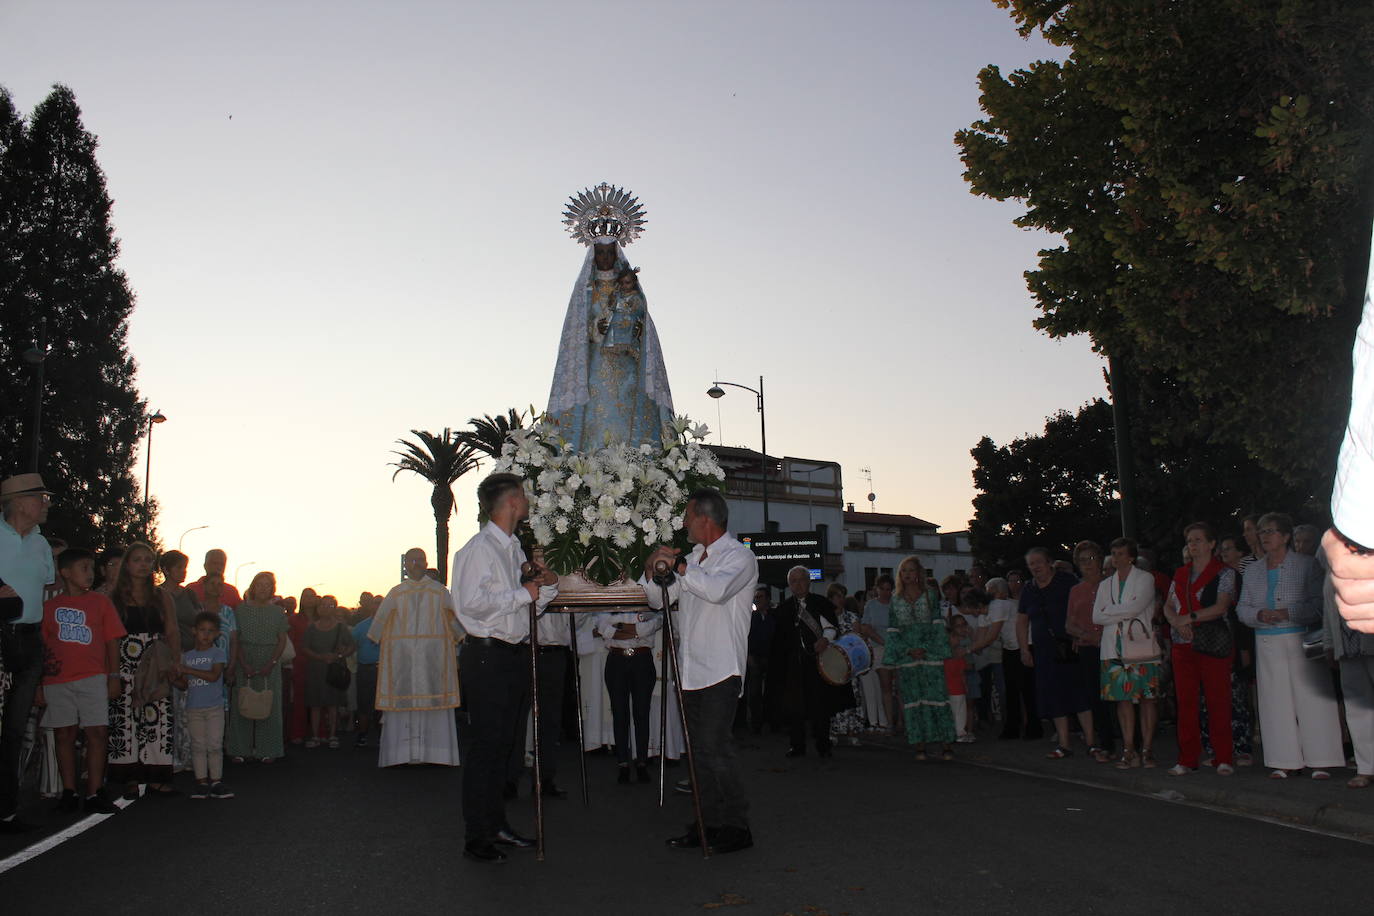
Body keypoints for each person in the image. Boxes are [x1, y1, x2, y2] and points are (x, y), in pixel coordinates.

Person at [643, 487, 758, 855]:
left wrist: (678, 567)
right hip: (690, 671)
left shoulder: (740, 557)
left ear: (705, 519)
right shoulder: (692, 558)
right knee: (698, 753)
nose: (684, 524)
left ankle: (737, 826)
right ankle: (707, 824)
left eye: (688, 516)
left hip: (722, 670)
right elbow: (657, 600)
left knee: (715, 749)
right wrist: (652, 570)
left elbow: (717, 590)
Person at [452, 473, 558, 863]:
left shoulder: (513, 549)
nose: (528, 501)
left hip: (511, 654)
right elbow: (470, 604)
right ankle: (476, 835)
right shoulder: (479, 549)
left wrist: (546, 585)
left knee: (504, 746)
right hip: (487, 656)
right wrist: (522, 593)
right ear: (512, 502)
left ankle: (495, 823)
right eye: (524, 495)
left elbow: (528, 607)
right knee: (486, 747)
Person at [1237, 512, 1342, 779]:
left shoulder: (1307, 565)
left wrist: (1287, 613)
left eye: (1270, 531)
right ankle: (1284, 760)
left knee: (1312, 699)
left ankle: (1321, 760)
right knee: (1274, 702)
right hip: (1267, 640)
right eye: (1261, 532)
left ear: (1285, 536)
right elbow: (1242, 607)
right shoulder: (1252, 570)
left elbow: (1318, 604)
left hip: (1301, 637)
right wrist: (1259, 614)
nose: (1264, 537)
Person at [546, 234, 674, 451]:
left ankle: (631, 457)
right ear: (594, 255)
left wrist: (637, 328)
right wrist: (596, 328)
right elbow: (576, 328)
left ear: (616, 255)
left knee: (628, 404)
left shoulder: (627, 286)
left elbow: (642, 318)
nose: (605, 257)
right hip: (597, 362)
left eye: (609, 252)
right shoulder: (587, 288)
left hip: (627, 362)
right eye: (600, 253)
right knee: (597, 408)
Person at [38, 547, 123, 814]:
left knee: (97, 732)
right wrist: (39, 684)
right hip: (57, 680)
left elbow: (112, 642)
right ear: (65, 572)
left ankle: (95, 791)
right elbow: (42, 648)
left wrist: (114, 676)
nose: (89, 573)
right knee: (64, 734)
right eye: (83, 568)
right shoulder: (49, 608)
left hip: (93, 678)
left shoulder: (100, 603)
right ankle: (69, 791)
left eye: (91, 568)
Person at [0, 473, 56, 832]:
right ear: (20, 502)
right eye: (41, 497)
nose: (46, 504)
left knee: (15, 730)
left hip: (30, 641)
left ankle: (6, 809)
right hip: (0, 637)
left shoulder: (41, 544)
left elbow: (47, 589)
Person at [373, 548, 462, 767]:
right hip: (403, 662)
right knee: (404, 705)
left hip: (433, 661)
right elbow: (379, 623)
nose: (417, 564)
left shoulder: (439, 592)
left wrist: (461, 634)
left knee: (435, 704)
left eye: (421, 560)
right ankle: (401, 754)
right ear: (405, 565)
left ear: (426, 562)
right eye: (412, 560)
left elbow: (455, 619)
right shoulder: (396, 593)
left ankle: (436, 754)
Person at [1161, 524, 1237, 776]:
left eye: (1198, 540)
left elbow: (1221, 606)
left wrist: (1187, 618)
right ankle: (1187, 758)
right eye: (1189, 541)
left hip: (1211, 643)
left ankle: (1223, 757)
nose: (1192, 545)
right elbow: (1168, 605)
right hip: (1182, 644)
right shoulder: (1180, 573)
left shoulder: (1224, 573)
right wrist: (1176, 622)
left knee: (1218, 700)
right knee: (1186, 703)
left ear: (1211, 544)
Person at [108, 541, 179, 798]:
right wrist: (113, 673)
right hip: (124, 663)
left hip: (155, 665)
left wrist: (175, 662)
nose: (143, 565)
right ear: (127, 564)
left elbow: (172, 630)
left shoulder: (162, 596)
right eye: (137, 560)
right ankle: (129, 778)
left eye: (148, 560)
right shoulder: (114, 597)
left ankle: (157, 779)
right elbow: (110, 637)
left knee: (158, 719)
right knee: (125, 721)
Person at [1017, 547, 1093, 759]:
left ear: (1049, 562)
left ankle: (1091, 742)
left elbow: (1082, 608)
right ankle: (1064, 744)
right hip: (1044, 652)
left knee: (1079, 694)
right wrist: (1024, 649)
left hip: (1069, 647)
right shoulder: (1029, 589)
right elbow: (1022, 620)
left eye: (1038, 562)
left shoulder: (1066, 581)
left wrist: (1080, 635)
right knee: (1054, 696)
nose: (1035, 567)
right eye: (1031, 564)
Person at [1092, 538, 1161, 769]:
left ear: (1131, 557)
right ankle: (1129, 749)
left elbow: (1136, 608)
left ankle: (1147, 750)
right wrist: (1121, 612)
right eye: (1113, 553)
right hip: (1113, 647)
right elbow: (1096, 616)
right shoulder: (1105, 584)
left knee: (1147, 699)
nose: (1116, 558)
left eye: (1120, 553)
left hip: (1140, 646)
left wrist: (1110, 611)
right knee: (1122, 700)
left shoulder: (1145, 579)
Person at [773, 566, 852, 758]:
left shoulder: (821, 603)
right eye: (793, 581)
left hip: (818, 662)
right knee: (795, 706)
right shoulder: (783, 609)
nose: (798, 584)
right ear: (789, 585)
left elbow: (831, 628)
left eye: (801, 580)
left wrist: (825, 639)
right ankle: (796, 745)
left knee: (820, 705)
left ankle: (823, 745)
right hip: (793, 665)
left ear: (809, 582)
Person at [885, 555, 955, 761]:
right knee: (913, 700)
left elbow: (937, 625)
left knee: (937, 698)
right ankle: (920, 746)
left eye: (911, 570)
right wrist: (908, 650)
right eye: (903, 570)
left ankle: (946, 745)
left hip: (930, 654)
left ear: (918, 573)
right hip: (908, 658)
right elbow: (893, 630)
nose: (907, 574)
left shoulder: (931, 595)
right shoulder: (895, 599)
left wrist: (924, 647)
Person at [595, 603, 662, 784]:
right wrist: (635, 631)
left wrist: (619, 628)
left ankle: (642, 762)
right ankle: (623, 763)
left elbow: (655, 622)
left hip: (642, 659)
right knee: (619, 713)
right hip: (616, 659)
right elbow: (602, 626)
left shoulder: (646, 596)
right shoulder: (610, 596)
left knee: (642, 712)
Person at [226, 571, 288, 763]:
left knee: (270, 704)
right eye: (259, 584)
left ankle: (268, 749)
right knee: (242, 702)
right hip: (244, 658)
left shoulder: (278, 612)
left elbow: (282, 640)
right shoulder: (240, 610)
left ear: (272, 589)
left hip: (270, 660)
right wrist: (243, 663)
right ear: (253, 587)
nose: (263, 588)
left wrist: (272, 663)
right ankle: (239, 748)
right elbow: (236, 639)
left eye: (267, 585)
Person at [175, 612, 232, 799]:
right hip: (194, 707)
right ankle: (201, 782)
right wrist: (173, 677)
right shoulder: (187, 656)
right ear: (194, 631)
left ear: (217, 634)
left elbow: (214, 676)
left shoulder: (218, 653)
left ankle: (216, 781)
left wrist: (188, 670)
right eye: (202, 630)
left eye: (210, 631)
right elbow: (184, 684)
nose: (206, 635)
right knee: (198, 745)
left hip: (214, 707)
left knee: (214, 744)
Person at [1065, 541, 1113, 762]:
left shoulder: (1111, 585)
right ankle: (1106, 744)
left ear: (1100, 560)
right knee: (1096, 697)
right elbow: (1069, 624)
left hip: (1112, 646)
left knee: (1119, 696)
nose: (1088, 564)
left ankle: (1131, 742)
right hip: (1088, 649)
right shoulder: (1076, 591)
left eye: (1091, 558)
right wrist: (1086, 636)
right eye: (1083, 560)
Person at [302, 595, 353, 749]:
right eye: (323, 605)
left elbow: (351, 645)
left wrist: (339, 656)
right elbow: (304, 647)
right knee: (315, 704)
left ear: (335, 608)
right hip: (315, 669)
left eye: (330, 606)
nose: (326, 608)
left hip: (333, 670)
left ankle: (332, 735)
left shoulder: (341, 627)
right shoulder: (311, 627)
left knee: (333, 704)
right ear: (318, 608)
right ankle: (315, 736)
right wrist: (319, 657)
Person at [855, 575, 894, 733]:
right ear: (877, 589)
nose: (885, 592)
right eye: (882, 589)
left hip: (897, 648)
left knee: (900, 689)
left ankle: (899, 722)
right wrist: (883, 642)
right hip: (879, 647)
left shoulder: (896, 604)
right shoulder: (871, 605)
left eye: (888, 589)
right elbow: (865, 627)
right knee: (885, 686)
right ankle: (888, 722)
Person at [742, 586, 776, 734]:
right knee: (754, 692)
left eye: (760, 597)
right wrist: (749, 655)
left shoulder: (774, 617)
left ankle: (771, 721)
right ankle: (756, 724)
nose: (757, 600)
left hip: (770, 658)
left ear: (768, 599)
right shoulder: (751, 617)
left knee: (770, 691)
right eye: (756, 597)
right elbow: (746, 637)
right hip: (755, 658)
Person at [351, 593, 380, 748]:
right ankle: (362, 734)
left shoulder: (394, 625)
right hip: (366, 669)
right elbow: (351, 645)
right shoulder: (361, 626)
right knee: (364, 703)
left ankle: (383, 735)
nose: (378, 606)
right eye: (375, 603)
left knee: (383, 705)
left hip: (385, 670)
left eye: (381, 603)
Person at [946, 614, 972, 741]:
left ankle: (953, 732)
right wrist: (965, 685)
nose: (957, 640)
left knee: (952, 711)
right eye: (954, 637)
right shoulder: (958, 656)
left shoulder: (944, 657)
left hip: (948, 689)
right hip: (958, 689)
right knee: (960, 711)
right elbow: (963, 673)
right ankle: (960, 732)